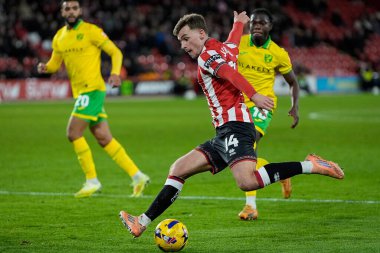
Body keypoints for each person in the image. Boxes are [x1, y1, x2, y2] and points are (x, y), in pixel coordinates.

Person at [119, 11, 344, 238]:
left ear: (201, 33)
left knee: (247, 181)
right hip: (223, 133)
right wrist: (238, 23)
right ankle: (141, 222)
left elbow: (229, 73)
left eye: (186, 38)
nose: (183, 45)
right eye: (180, 41)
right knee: (178, 170)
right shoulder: (223, 48)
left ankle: (311, 165)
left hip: (237, 126)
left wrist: (254, 95)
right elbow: (234, 42)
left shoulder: (206, 56)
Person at [37, 0, 150, 198]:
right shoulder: (59, 37)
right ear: (62, 12)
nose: (71, 12)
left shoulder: (91, 31)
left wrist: (115, 73)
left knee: (73, 133)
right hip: (81, 92)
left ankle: (92, 180)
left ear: (80, 10)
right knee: (104, 138)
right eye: (67, 8)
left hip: (92, 89)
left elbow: (115, 52)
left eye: (74, 8)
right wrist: (46, 67)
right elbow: (55, 63)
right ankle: (138, 176)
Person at [237, 8, 300, 220]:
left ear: (269, 27)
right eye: (253, 22)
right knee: (239, 156)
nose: (256, 26)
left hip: (262, 106)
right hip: (238, 106)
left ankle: (250, 207)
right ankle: (280, 173)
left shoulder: (278, 53)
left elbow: (293, 82)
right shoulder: (239, 43)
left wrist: (294, 106)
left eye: (261, 23)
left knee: (247, 148)